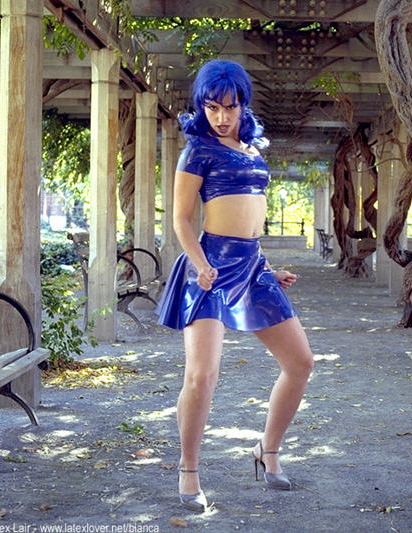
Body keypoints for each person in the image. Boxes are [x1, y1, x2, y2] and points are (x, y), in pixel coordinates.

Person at [156, 59, 314, 513]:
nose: (221, 116)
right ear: (202, 107)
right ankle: (188, 468)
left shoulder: (252, 150)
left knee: (300, 363)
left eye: (230, 107)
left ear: (243, 105)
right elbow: (181, 219)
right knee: (202, 374)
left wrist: (267, 267)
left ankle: (267, 449)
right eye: (212, 107)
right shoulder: (197, 151)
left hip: (253, 266)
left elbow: (250, 217)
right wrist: (201, 265)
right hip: (209, 268)